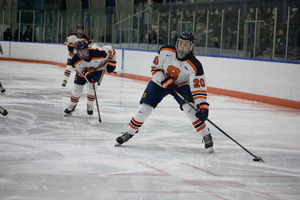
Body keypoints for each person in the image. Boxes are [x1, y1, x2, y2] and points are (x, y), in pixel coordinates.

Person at [115, 31, 214, 153]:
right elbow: (155, 68)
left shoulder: (195, 65)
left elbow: (198, 87)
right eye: (181, 43)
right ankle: (129, 132)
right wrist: (164, 81)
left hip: (180, 85)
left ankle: (206, 135)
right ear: (177, 42)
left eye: (186, 44)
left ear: (191, 47)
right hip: (159, 82)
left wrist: (202, 105)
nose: (182, 46)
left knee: (191, 109)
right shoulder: (165, 51)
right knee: (144, 108)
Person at [64, 41, 117, 116]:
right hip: (84, 71)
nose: (83, 54)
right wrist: (87, 74)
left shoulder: (100, 53)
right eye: (81, 52)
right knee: (77, 88)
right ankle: (72, 105)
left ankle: (90, 106)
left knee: (92, 87)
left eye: (84, 51)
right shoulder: (75, 61)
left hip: (98, 69)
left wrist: (112, 63)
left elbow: (112, 51)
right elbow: (80, 72)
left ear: (88, 50)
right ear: (77, 52)